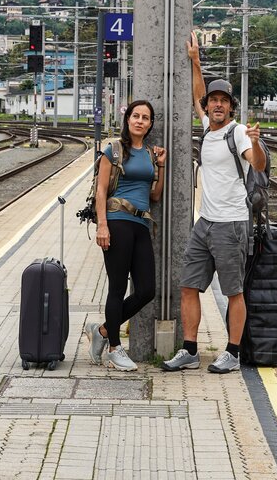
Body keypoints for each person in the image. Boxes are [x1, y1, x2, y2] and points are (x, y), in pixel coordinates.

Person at [162, 32, 267, 374]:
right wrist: (196, 60)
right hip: (204, 222)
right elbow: (196, 92)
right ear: (208, 107)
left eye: (224, 101)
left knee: (233, 291)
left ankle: (233, 353)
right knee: (189, 286)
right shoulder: (207, 127)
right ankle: (190, 350)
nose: (217, 104)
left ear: (231, 107)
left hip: (232, 224)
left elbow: (258, 163)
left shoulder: (237, 132)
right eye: (213, 100)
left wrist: (256, 143)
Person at [85, 99, 166, 371]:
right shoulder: (114, 151)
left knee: (146, 290)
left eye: (146, 117)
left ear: (151, 123)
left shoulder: (151, 155)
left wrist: (162, 166)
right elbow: (101, 191)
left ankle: (104, 331)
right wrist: (102, 225)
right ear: (128, 120)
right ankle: (115, 348)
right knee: (117, 288)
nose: (140, 121)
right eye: (136, 116)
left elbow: (154, 195)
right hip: (117, 222)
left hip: (141, 224)